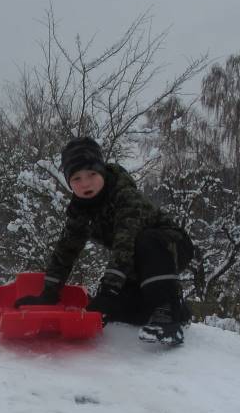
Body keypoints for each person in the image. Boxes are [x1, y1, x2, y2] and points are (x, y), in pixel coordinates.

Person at [18, 137, 195, 346]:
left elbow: (125, 243)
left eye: (91, 174)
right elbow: (66, 250)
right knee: (119, 310)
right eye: (76, 178)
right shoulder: (80, 210)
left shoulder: (125, 196)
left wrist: (108, 290)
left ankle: (169, 312)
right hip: (136, 260)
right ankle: (176, 310)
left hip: (169, 247)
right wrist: (49, 293)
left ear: (101, 171)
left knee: (146, 241)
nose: (85, 183)